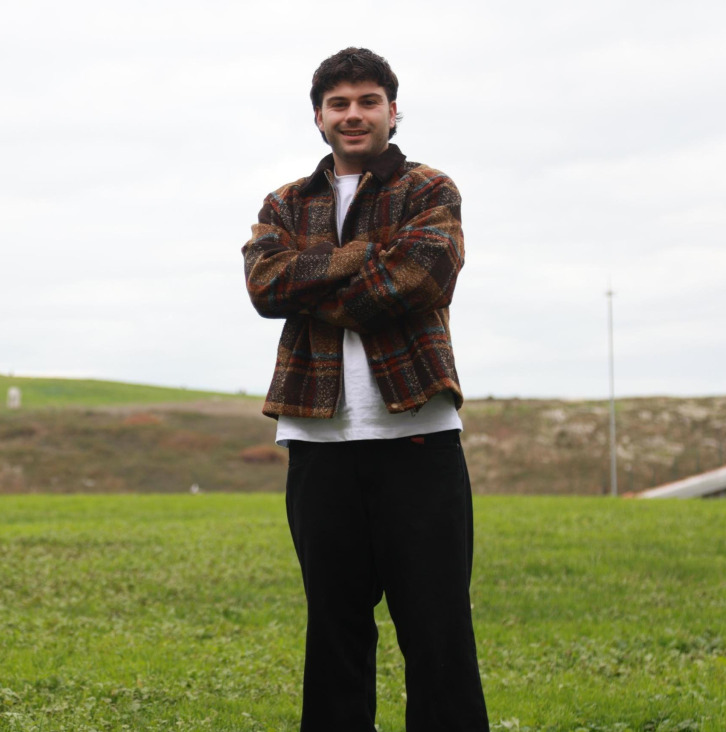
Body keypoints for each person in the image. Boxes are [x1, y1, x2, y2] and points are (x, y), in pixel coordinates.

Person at [241, 47, 489, 731]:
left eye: (368, 101)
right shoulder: (285, 202)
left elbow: (421, 277)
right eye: (339, 103)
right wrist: (363, 257)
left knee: (437, 631)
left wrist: (313, 279)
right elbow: (266, 285)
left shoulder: (430, 190)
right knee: (335, 630)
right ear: (319, 116)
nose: (354, 114)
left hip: (418, 434)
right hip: (318, 440)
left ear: (392, 109)